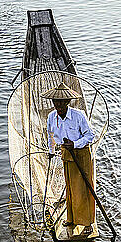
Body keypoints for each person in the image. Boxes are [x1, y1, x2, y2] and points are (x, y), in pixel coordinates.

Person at [41, 82, 95, 233]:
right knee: (71, 188)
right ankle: (71, 219)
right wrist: (51, 151)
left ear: (67, 102)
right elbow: (50, 136)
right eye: (55, 101)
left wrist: (75, 144)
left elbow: (90, 135)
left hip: (81, 154)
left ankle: (87, 224)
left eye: (61, 101)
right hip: (66, 154)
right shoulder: (52, 117)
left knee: (83, 188)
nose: (58, 104)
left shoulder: (78, 116)